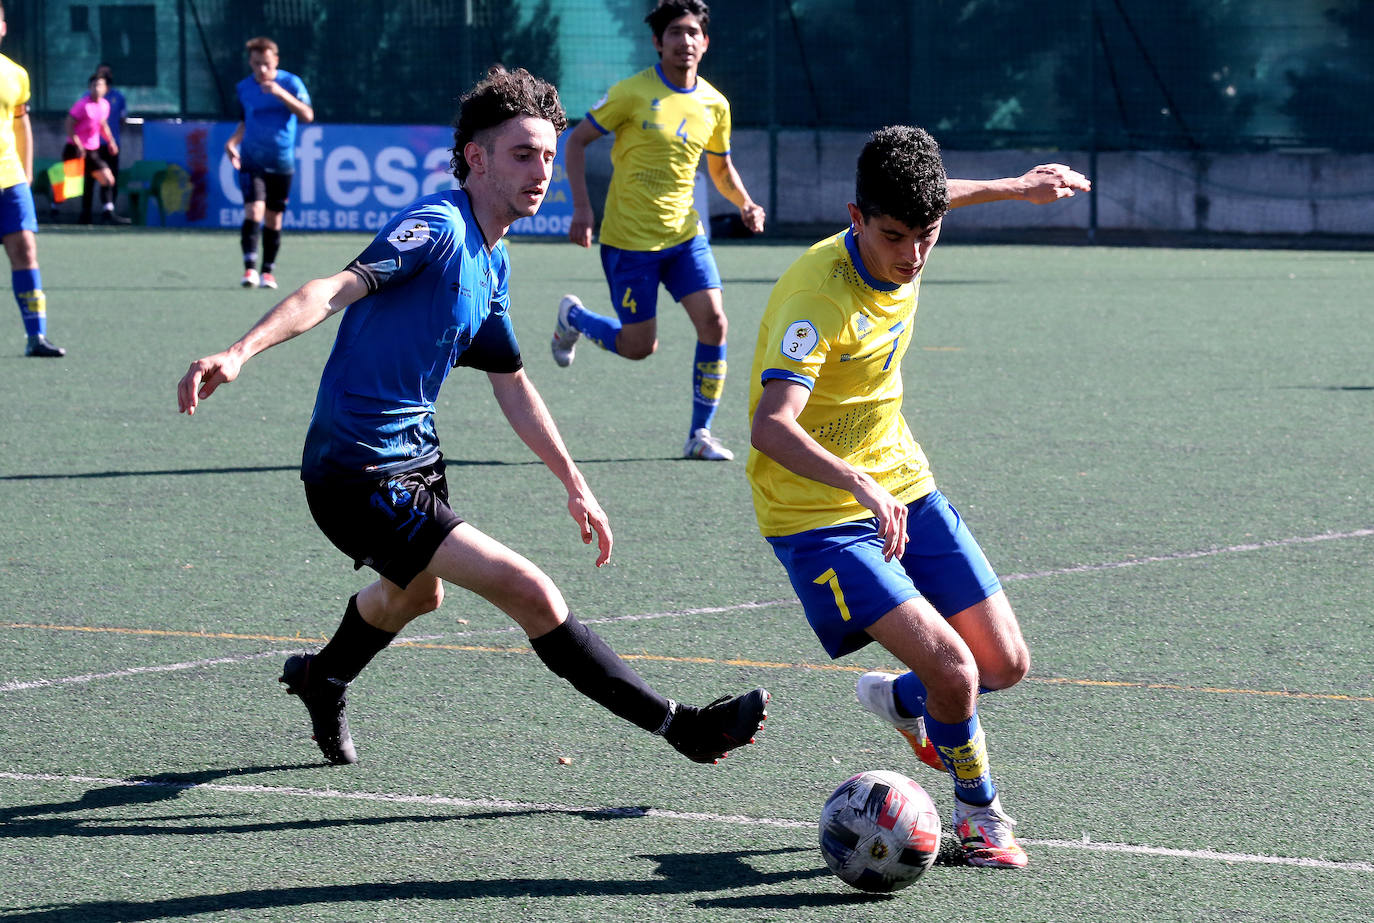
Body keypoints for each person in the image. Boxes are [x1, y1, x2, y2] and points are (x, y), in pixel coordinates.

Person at [177, 65, 769, 770]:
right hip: (355, 469)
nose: (542, 170)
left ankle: (323, 675)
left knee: (416, 595)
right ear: (476, 157)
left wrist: (574, 482)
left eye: (550, 155)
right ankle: (682, 727)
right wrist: (240, 350)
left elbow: (512, 384)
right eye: (523, 154)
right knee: (530, 590)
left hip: (415, 456)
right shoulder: (436, 227)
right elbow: (332, 288)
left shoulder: (495, 258)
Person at [747, 126, 1091, 868]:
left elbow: (945, 194)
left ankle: (904, 701)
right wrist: (858, 482)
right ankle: (979, 818)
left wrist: (1019, 186)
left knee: (1002, 664)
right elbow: (770, 427)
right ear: (855, 216)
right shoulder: (819, 298)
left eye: (926, 235)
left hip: (902, 480)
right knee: (958, 671)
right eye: (894, 235)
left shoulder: (915, 225)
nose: (911, 255)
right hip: (818, 512)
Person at [553, 0, 765, 462]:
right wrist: (582, 209)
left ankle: (700, 434)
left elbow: (721, 168)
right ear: (658, 42)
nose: (684, 41)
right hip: (629, 242)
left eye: (693, 33)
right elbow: (576, 142)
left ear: (705, 42)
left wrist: (745, 203)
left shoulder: (715, 103)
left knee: (714, 323)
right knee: (638, 347)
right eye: (674, 32)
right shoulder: (630, 93)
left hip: (686, 238)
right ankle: (575, 319)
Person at [224, 36, 313, 290]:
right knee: (254, 211)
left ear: (275, 60)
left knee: (274, 220)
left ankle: (268, 272)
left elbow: (307, 115)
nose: (260, 69)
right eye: (255, 64)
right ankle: (249, 269)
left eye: (265, 63)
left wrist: (279, 93)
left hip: (282, 162)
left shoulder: (291, 83)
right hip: (252, 159)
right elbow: (246, 120)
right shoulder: (244, 87)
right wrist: (231, 143)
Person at [0, 2, 62, 357]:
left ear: (3, 28)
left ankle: (36, 337)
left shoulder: (16, 74)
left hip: (9, 180)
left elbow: (21, 124)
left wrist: (25, 173)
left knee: (25, 249)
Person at [64, 73, 128, 224]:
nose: (96, 88)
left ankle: (102, 213)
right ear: (89, 88)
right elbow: (68, 124)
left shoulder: (105, 105)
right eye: (93, 85)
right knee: (98, 180)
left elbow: (102, 125)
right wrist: (78, 145)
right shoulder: (82, 105)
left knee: (105, 180)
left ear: (106, 89)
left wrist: (111, 141)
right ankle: (97, 213)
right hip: (77, 149)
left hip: (93, 150)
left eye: (100, 85)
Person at [94, 64, 126, 202]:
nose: (104, 77)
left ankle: (109, 209)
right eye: (102, 74)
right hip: (93, 146)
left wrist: (111, 139)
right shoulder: (87, 98)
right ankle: (86, 213)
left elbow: (122, 119)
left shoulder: (118, 97)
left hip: (112, 145)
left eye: (107, 74)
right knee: (93, 178)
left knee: (112, 177)